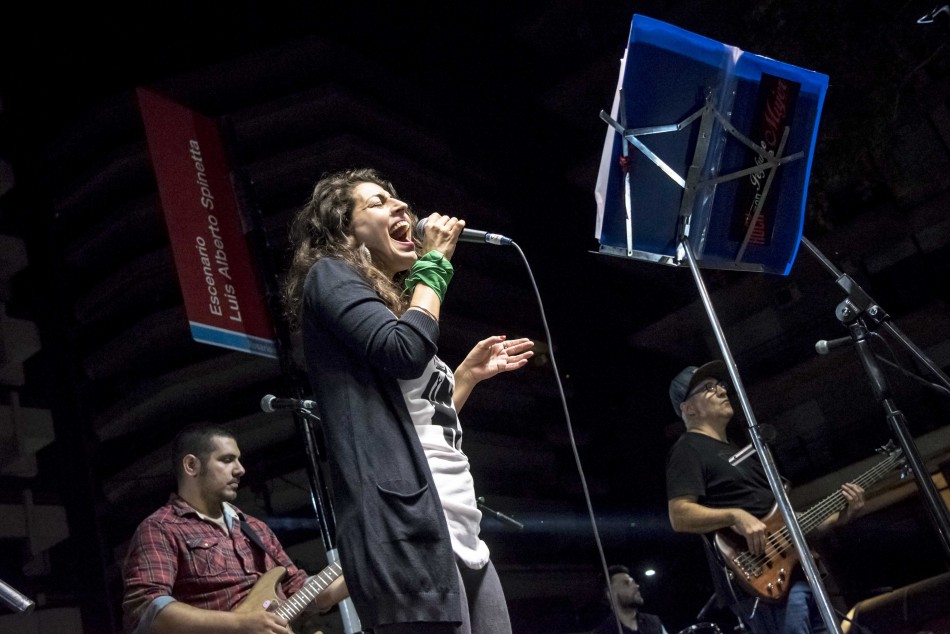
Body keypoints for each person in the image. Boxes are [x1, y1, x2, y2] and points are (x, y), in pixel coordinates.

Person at [281, 167, 534, 634]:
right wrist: (435, 263)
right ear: (343, 228)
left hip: (460, 525)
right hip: (408, 528)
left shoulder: (394, 306)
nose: (401, 207)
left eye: (398, 199)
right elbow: (404, 352)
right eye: (376, 202)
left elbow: (421, 420)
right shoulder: (329, 275)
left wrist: (465, 378)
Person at [664, 361, 866, 634]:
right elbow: (679, 515)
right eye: (708, 388)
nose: (722, 391)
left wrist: (841, 517)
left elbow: (787, 527)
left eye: (720, 385)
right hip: (761, 583)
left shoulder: (742, 452)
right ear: (687, 408)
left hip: (799, 574)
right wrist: (735, 515)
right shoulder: (687, 449)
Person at [121, 422, 347, 633]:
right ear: (191, 465)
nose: (240, 469)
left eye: (238, 460)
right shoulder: (161, 528)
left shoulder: (255, 528)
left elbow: (303, 591)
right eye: (227, 460)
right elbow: (148, 609)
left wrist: (363, 567)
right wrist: (240, 623)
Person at [591, 565, 669, 634]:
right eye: (627, 583)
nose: (636, 586)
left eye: (634, 582)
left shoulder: (654, 622)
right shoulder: (603, 631)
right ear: (610, 595)